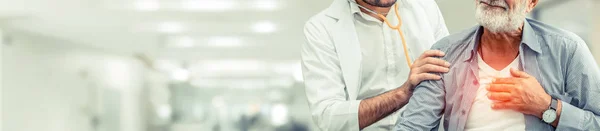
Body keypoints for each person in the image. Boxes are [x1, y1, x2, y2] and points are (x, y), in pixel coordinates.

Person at [395, 0, 600, 130]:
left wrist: (546, 107)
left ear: (531, 3)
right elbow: (413, 126)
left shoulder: (567, 50)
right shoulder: (446, 53)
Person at [301, 0, 450, 130]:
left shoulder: (426, 9)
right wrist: (403, 93)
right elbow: (328, 118)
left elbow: (450, 78)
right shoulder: (321, 29)